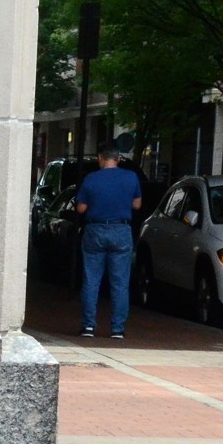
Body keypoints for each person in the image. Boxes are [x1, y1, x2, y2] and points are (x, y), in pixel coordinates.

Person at [74, 143, 143, 340]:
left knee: (91, 280)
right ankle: (117, 329)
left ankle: (88, 327)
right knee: (120, 283)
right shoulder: (131, 177)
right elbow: (137, 205)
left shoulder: (91, 178)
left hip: (95, 230)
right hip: (121, 230)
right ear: (118, 159)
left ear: (100, 158)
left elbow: (81, 208)